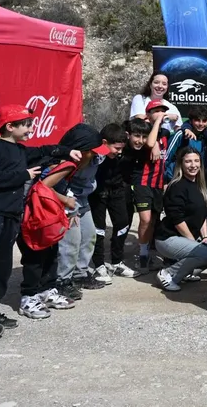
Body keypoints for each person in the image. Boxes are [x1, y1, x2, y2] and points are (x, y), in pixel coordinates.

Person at [0, 104, 80, 339]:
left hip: (9, 217)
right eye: (25, 124)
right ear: (9, 126)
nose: (29, 129)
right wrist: (23, 175)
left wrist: (66, 151)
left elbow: (44, 150)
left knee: (2, 267)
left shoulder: (19, 151)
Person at [54, 124, 116, 299]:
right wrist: (69, 209)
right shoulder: (66, 163)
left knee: (89, 236)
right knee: (70, 242)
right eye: (93, 150)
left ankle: (80, 274)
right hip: (66, 203)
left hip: (82, 200)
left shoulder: (95, 157)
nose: (98, 153)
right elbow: (55, 187)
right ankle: (62, 280)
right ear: (80, 151)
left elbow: (108, 150)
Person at [15, 155, 80, 319]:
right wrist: (66, 201)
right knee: (34, 258)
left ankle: (47, 291)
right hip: (32, 218)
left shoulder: (70, 169)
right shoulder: (57, 166)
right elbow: (41, 187)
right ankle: (28, 297)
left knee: (51, 254)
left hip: (49, 218)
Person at [154, 149, 207, 292]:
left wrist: (205, 237)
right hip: (168, 239)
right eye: (188, 161)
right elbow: (177, 219)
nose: (193, 165)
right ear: (181, 164)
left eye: (196, 161)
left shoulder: (200, 186)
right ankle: (168, 274)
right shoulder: (176, 186)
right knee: (204, 253)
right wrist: (192, 241)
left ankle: (187, 272)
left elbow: (202, 215)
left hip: (190, 237)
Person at [125, 103, 172, 272]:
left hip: (159, 183)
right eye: (156, 111)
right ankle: (142, 253)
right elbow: (151, 142)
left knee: (153, 220)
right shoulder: (145, 132)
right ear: (148, 114)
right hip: (143, 182)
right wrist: (158, 122)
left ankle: (147, 253)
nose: (160, 114)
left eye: (163, 111)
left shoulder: (166, 133)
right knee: (144, 219)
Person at [89, 123, 137, 279]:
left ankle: (116, 262)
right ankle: (99, 265)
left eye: (122, 148)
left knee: (123, 223)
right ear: (104, 143)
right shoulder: (92, 153)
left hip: (117, 190)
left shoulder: (123, 151)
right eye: (116, 148)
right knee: (99, 229)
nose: (120, 152)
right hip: (98, 193)